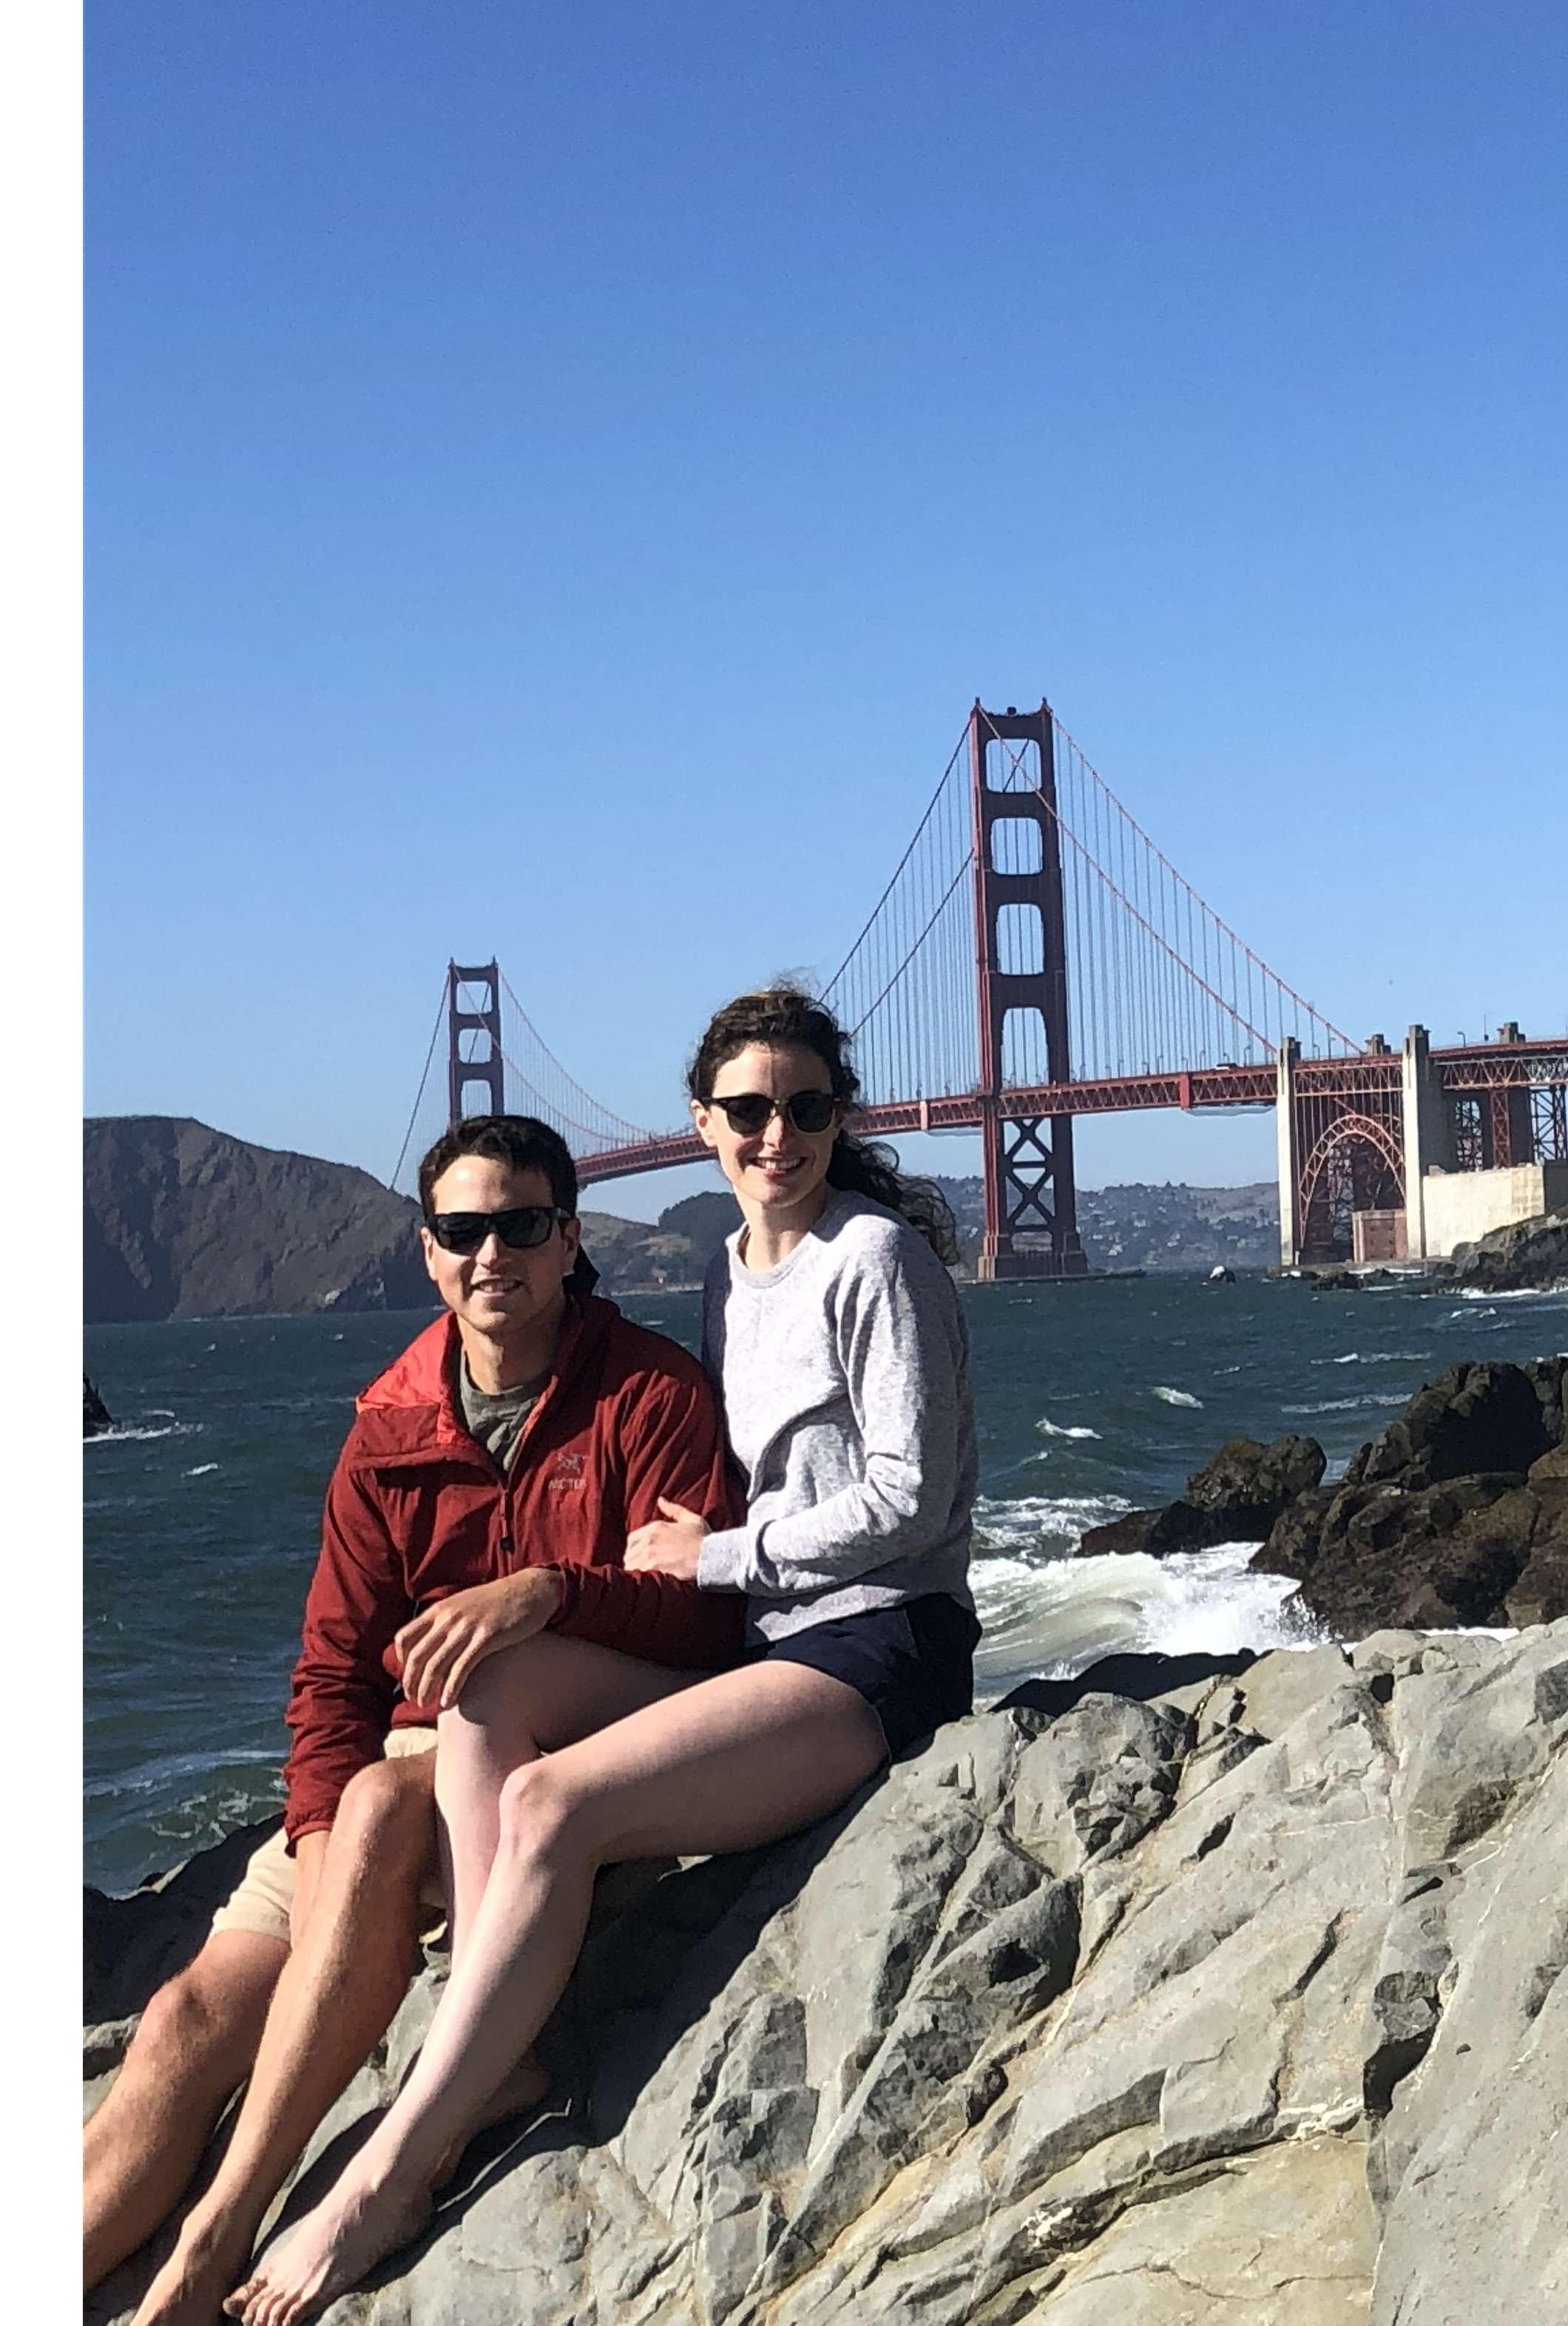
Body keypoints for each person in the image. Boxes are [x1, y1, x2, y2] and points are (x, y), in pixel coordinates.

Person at [227, 989, 976, 2326]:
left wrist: (724, 1558)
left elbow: (915, 1503)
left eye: (806, 1107)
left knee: (550, 1802)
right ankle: (493, 2040)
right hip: (760, 1649)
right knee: (483, 1696)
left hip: (875, 1647)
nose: (776, 1134)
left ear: (837, 1116)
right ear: (703, 1124)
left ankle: (390, 2175)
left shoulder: (873, 1259)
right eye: (746, 1110)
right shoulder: (729, 1271)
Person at [86, 1114, 746, 2326]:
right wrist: (317, 1833)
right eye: (463, 1230)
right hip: (389, 1774)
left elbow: (707, 1630)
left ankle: (223, 2228)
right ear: (429, 1253)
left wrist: (545, 1599)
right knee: (185, 2015)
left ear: (567, 1241)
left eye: (523, 1225)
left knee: (389, 1802)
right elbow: (332, 1676)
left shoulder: (651, 1395)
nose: (492, 1253)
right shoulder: (386, 1428)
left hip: (553, 1762)